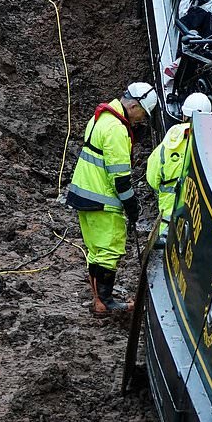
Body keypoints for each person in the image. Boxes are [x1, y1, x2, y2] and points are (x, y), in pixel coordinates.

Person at [65, 82, 158, 317]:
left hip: (84, 195)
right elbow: (120, 179)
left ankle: (99, 300)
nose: (141, 120)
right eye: (143, 114)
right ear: (134, 106)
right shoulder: (116, 128)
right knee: (108, 251)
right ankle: (104, 303)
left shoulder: (100, 118)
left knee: (96, 251)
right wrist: (131, 205)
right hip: (102, 200)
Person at [146, 93, 212, 248]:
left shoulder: (170, 140)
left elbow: (152, 173)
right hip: (197, 216)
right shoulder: (211, 142)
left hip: (167, 219)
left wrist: (163, 188)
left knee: (165, 251)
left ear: (183, 115)